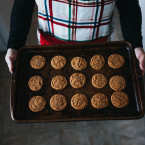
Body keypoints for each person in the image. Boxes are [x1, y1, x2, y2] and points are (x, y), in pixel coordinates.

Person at [5, 0, 145, 74]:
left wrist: (136, 45)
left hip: (99, 46)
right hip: (51, 46)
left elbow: (128, 6)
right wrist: (14, 45)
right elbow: (23, 4)